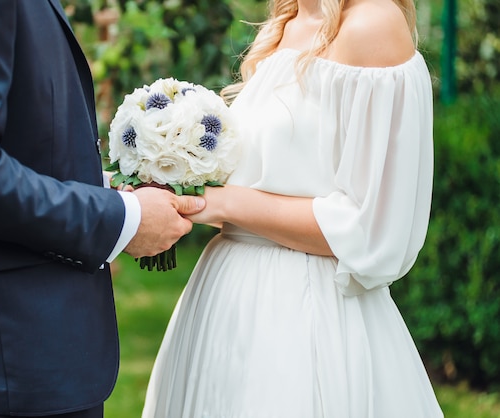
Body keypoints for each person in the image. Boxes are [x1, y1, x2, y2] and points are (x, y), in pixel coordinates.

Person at [0, 1, 205, 418]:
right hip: (10, 346)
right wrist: (122, 220)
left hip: (15, 348)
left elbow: (8, 137)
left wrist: (109, 191)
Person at [141, 0, 444, 416]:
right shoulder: (288, 22)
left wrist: (225, 203)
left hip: (304, 315)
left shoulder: (373, 24)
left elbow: (370, 229)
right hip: (222, 302)